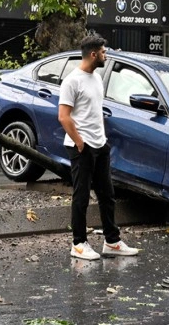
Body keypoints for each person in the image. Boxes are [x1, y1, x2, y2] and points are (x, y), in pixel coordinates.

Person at [58, 35, 139, 261]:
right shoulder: (72, 81)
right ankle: (79, 244)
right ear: (93, 54)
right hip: (81, 147)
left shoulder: (96, 78)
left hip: (100, 144)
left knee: (107, 195)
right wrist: (80, 141)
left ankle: (112, 241)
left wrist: (101, 140)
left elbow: (94, 111)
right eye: (103, 52)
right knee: (81, 196)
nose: (106, 55)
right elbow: (63, 117)